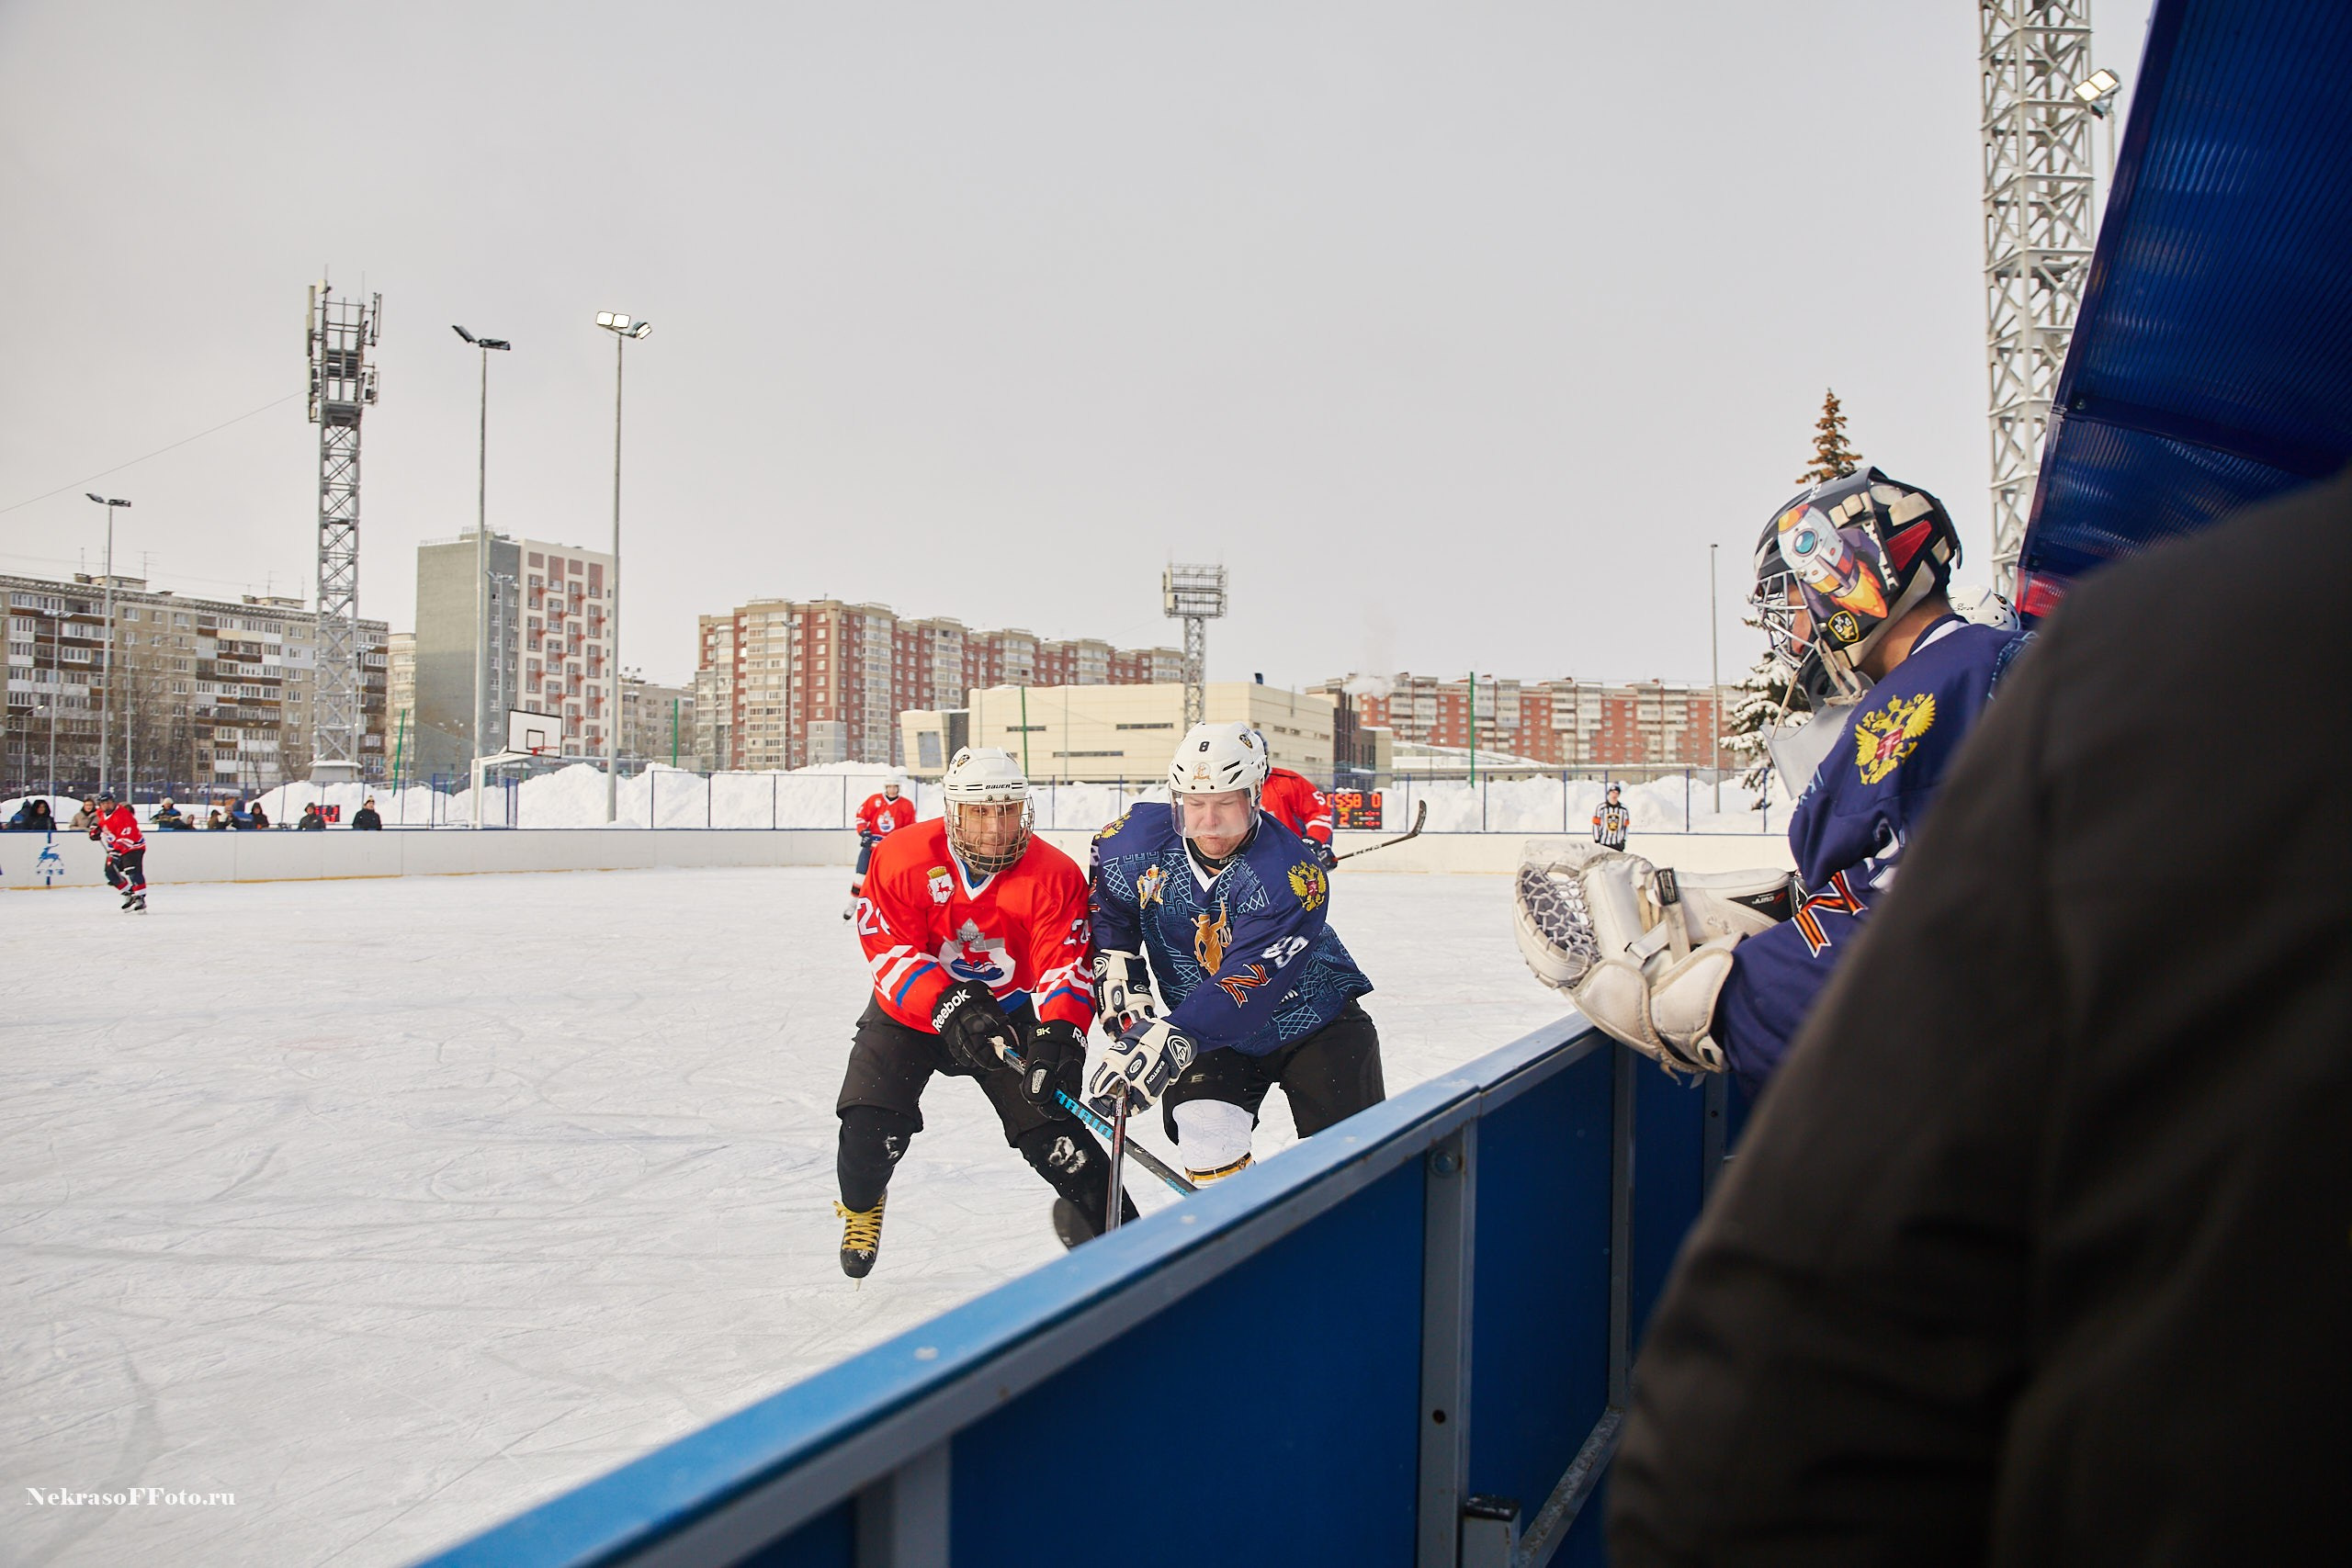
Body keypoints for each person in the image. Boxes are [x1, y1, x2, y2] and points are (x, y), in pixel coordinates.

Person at [1610, 468, 2352, 1566]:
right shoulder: (1949, 678)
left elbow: (1924, 930)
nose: (1796, 616)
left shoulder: (1958, 677)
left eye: (1804, 586)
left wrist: (1739, 991)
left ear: (1857, 573)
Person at [1515, 468, 2032, 1093]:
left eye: (1798, 600)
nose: (1798, 628)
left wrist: (1726, 999)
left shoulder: (1926, 692)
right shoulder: (1988, 663)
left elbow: (1906, 933)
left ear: (1851, 570)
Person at [831, 746, 1128, 1279]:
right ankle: (861, 1205)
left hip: (1006, 1016)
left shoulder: (1054, 876)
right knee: (867, 1132)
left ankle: (1130, 1244)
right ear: (954, 812)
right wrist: (945, 1001)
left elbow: (1065, 965)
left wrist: (1062, 1032)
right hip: (912, 1016)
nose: (995, 827)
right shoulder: (901, 856)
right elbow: (889, 948)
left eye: (1008, 810)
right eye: (980, 811)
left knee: (1059, 1137)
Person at [1087, 721, 1385, 1187]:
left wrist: (1171, 1037)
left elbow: (1248, 979)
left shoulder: (1290, 873)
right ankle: (1240, 1241)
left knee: (1353, 1170)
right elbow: (1113, 907)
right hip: (1208, 1033)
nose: (1208, 822)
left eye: (1226, 803)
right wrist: (1117, 966)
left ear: (1255, 795)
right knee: (1207, 1145)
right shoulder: (1130, 842)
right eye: (1195, 803)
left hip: (1314, 1021)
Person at [843, 773, 918, 920]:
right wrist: (863, 832)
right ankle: (852, 904)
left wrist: (904, 843)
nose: (892, 790)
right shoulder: (874, 800)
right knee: (860, 876)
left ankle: (886, 910)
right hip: (871, 846)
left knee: (889, 880)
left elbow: (910, 827)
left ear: (898, 788)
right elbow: (861, 816)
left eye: (894, 787)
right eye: (889, 786)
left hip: (891, 849)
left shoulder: (906, 805)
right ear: (885, 787)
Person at [1255, 740, 1337, 871]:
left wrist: (1316, 842)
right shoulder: (1224, 790)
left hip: (1290, 863)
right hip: (1249, 865)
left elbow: (1318, 814)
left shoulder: (1289, 782)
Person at [88, 789, 147, 912]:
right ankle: (128, 893)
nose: (106, 805)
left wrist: (116, 851)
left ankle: (140, 897)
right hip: (116, 847)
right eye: (103, 803)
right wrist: (96, 829)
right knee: (110, 872)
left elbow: (126, 836)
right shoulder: (101, 812)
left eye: (109, 802)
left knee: (132, 871)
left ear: (113, 802)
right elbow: (100, 821)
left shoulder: (123, 815)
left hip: (133, 846)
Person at [1591, 783, 1631, 849]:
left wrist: (1623, 839)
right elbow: (1596, 824)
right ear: (1609, 793)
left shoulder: (1624, 809)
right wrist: (1597, 839)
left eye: (1616, 793)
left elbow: (1626, 826)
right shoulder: (1601, 808)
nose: (1614, 795)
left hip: (1617, 843)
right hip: (1604, 842)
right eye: (1613, 792)